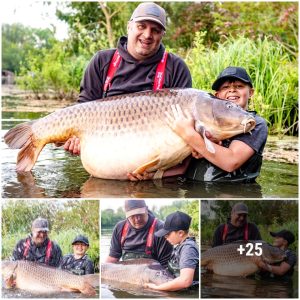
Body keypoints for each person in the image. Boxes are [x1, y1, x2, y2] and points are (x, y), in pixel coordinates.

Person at [64, 2, 192, 155]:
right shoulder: (102, 61)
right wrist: (75, 138)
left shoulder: (176, 67)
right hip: (106, 151)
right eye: (141, 26)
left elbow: (185, 123)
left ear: (162, 34)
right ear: (129, 26)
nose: (147, 35)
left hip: (155, 154)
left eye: (155, 30)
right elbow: (83, 108)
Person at [166, 66, 268, 182]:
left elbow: (231, 162)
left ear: (251, 92)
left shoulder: (255, 123)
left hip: (226, 191)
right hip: (190, 187)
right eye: (225, 87)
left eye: (239, 86)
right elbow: (183, 169)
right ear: (217, 95)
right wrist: (155, 175)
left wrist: (189, 134)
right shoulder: (202, 122)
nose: (232, 90)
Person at [105, 199, 173, 268]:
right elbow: (113, 257)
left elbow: (165, 266)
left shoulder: (161, 229)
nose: (137, 219)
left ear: (146, 209)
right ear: (126, 214)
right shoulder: (119, 228)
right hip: (127, 274)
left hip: (153, 274)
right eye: (132, 216)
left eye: (140, 214)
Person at [145, 211, 199, 291]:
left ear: (180, 233)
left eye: (167, 235)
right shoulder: (180, 246)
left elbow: (186, 281)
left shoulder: (188, 248)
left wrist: (157, 288)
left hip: (187, 293)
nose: (165, 238)